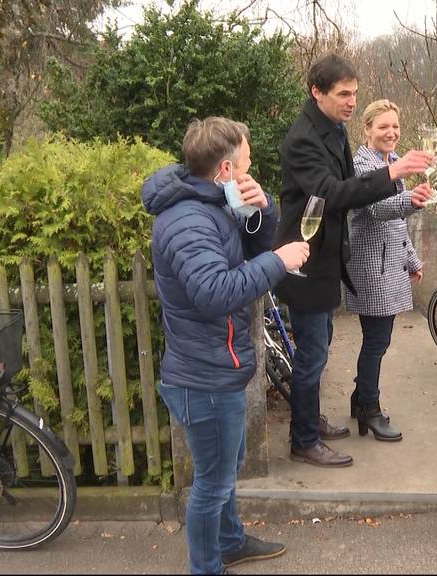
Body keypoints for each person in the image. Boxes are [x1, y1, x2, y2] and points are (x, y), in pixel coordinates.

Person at [142, 117, 310, 574]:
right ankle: (206, 566)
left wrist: (263, 210)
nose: (251, 167)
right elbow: (216, 293)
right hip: (204, 376)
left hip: (219, 366)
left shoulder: (212, 203)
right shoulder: (187, 222)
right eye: (247, 162)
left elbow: (247, 251)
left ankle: (231, 541)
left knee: (225, 468)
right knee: (212, 484)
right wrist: (280, 260)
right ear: (224, 169)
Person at [275, 54, 432, 467]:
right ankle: (304, 440)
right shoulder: (302, 139)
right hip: (304, 262)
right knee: (311, 355)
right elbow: (333, 193)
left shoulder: (331, 128)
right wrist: (393, 174)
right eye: (344, 94)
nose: (351, 101)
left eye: (355, 94)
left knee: (320, 346)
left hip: (325, 258)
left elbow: (345, 187)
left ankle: (309, 419)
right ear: (317, 91)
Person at [344, 99, 433, 441]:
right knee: (376, 341)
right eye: (383, 126)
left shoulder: (393, 161)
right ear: (366, 129)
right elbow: (377, 210)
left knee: (377, 340)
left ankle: (359, 396)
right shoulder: (361, 166)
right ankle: (369, 406)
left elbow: (397, 226)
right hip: (371, 266)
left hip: (390, 263)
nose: (391, 133)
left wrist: (411, 259)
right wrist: (410, 200)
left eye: (395, 126)